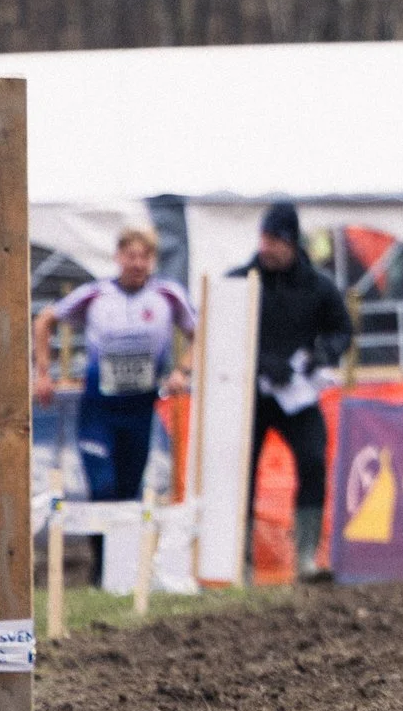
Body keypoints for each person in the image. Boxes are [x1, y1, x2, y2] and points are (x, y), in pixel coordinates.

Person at [34, 228, 196, 581]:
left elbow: (199, 331)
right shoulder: (96, 294)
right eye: (131, 256)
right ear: (118, 257)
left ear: (151, 260)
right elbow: (45, 319)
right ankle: (100, 568)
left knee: (128, 491)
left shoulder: (167, 295)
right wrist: (43, 373)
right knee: (102, 487)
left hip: (140, 408)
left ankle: (121, 574)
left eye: (144, 257)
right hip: (98, 409)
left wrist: (183, 370)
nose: (137, 264)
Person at [228, 202, 354, 582]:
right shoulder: (239, 280)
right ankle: (239, 562)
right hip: (251, 394)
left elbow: (341, 330)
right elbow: (223, 331)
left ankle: (306, 557)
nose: (267, 247)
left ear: (292, 243)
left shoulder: (318, 286)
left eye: (276, 240)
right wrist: (260, 359)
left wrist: (322, 354)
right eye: (264, 238)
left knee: (314, 459)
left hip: (296, 394)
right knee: (240, 472)